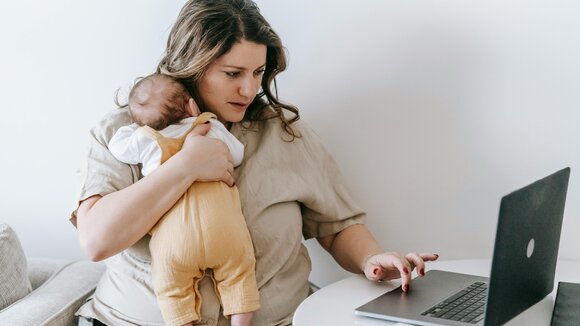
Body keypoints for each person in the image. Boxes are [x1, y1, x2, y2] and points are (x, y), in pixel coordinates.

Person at [71, 0, 439, 325]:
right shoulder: (125, 134)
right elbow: (97, 241)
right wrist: (184, 168)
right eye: (233, 74)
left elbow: (336, 225)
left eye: (258, 73)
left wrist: (373, 259)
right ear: (191, 66)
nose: (249, 90)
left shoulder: (283, 134)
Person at [108, 73, 258, 326]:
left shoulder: (147, 140)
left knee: (171, 290)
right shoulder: (209, 127)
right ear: (191, 105)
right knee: (240, 275)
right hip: (222, 229)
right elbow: (237, 154)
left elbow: (117, 146)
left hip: (174, 240)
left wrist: (139, 125)